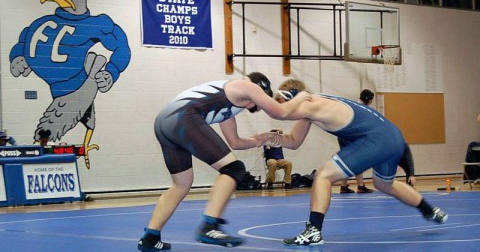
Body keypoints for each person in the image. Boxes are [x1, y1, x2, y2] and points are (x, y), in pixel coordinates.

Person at [137, 72, 310, 251]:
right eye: (259, 101)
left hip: (164, 124)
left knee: (181, 184)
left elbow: (236, 143)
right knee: (233, 169)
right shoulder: (246, 85)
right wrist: (302, 97)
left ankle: (150, 237)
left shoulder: (229, 107)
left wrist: (263, 138)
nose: (255, 105)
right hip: (182, 118)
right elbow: (281, 112)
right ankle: (210, 226)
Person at [272, 79, 448, 246]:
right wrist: (267, 138)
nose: (283, 107)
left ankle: (314, 230)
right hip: (392, 137)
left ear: (292, 97)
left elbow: (281, 113)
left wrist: (255, 98)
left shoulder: (312, 103)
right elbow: (294, 141)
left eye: (283, 101)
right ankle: (430, 210)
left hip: (376, 140)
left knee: (323, 176)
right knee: (384, 184)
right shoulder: (312, 109)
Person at [339, 89, 375, 194]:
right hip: (350, 136)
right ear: (367, 99)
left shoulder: (354, 106)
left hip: (343, 135)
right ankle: (360, 186)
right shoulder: (362, 109)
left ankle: (343, 186)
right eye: (371, 100)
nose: (371, 102)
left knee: (347, 161)